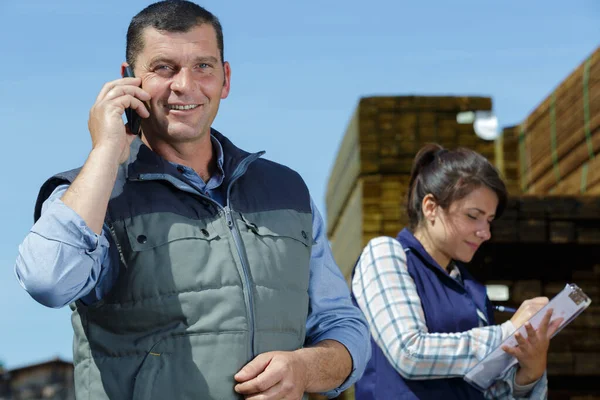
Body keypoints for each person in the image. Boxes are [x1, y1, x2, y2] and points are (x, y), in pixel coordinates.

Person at [15, 1, 370, 399]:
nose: (185, 85)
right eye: (164, 67)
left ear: (225, 78)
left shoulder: (287, 192)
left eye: (203, 66)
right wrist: (104, 153)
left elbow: (345, 328)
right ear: (128, 80)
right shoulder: (95, 196)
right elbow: (46, 281)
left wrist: (306, 369)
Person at [351, 144, 562, 399]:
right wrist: (507, 333)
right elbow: (409, 352)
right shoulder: (385, 255)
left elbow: (488, 390)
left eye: (489, 220)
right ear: (431, 207)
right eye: (473, 216)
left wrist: (529, 374)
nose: (485, 233)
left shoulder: (472, 289)